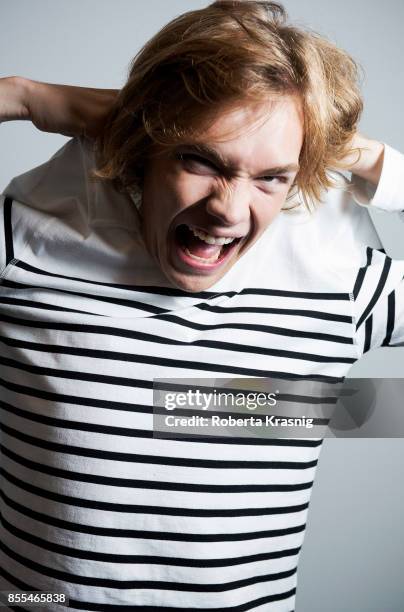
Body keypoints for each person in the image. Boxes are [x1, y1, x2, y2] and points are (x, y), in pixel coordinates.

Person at [0, 1, 403, 610]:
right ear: (140, 147)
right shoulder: (24, 252)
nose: (229, 212)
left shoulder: (338, 285)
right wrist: (28, 97)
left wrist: (368, 159)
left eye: (271, 176)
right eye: (199, 159)